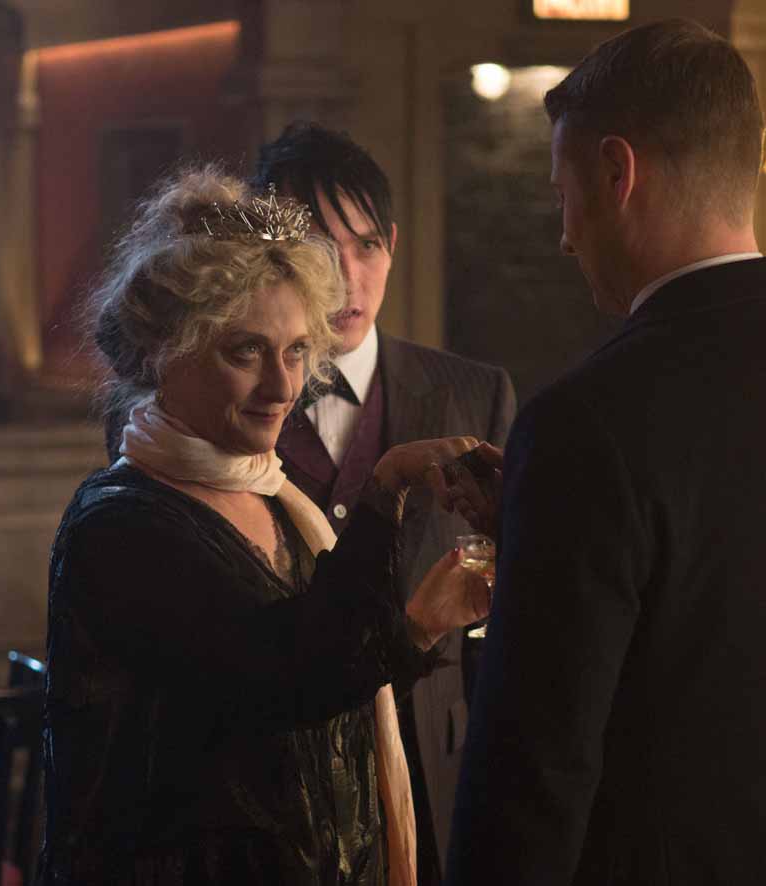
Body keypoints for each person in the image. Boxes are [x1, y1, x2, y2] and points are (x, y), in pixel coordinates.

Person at [446, 19, 766, 886]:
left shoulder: (584, 422)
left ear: (616, 173)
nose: (564, 236)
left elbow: (535, 769)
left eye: (562, 195)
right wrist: (540, 525)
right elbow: (749, 595)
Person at [39, 167, 499, 886]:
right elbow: (287, 679)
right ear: (168, 349)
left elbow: (325, 691)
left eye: (295, 352)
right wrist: (383, 489)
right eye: (245, 351)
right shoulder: (119, 524)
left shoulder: (278, 498)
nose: (283, 387)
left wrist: (417, 626)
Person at [254, 122, 516, 885]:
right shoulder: (223, 405)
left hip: (435, 775)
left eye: (366, 245)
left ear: (393, 245)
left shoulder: (474, 393)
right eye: (318, 247)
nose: (348, 277)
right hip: (277, 783)